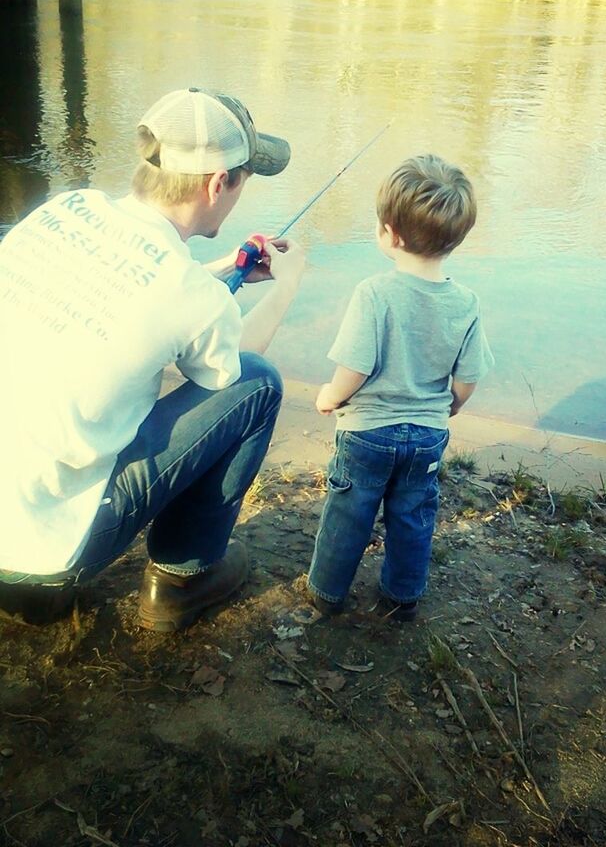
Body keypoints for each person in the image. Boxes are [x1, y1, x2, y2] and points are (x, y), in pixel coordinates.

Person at [0, 88, 306, 631]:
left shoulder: (66, 209)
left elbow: (121, 283)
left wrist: (216, 274)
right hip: (37, 554)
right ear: (218, 183)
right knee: (260, 384)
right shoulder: (186, 292)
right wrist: (285, 289)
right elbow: (230, 378)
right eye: (244, 179)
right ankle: (181, 579)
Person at [307, 154, 493, 621]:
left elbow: (354, 367)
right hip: (427, 434)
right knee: (413, 517)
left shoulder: (374, 292)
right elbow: (468, 377)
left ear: (390, 232)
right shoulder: (466, 302)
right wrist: (450, 406)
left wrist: (331, 396)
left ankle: (327, 593)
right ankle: (402, 596)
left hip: (368, 432)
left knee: (349, 514)